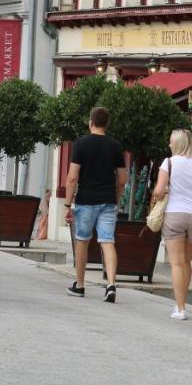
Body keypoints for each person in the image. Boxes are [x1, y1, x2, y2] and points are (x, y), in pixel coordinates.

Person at [62, 106, 126, 303]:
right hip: (108, 200)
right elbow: (123, 178)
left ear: (91, 122)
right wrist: (117, 195)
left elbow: (72, 177)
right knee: (107, 241)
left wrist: (67, 204)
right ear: (106, 123)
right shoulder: (115, 146)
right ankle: (111, 284)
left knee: (82, 241)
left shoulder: (80, 144)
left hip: (86, 200)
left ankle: (80, 285)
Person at [151, 129, 192, 321]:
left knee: (177, 263)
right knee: (186, 262)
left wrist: (159, 194)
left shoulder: (169, 163)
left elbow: (159, 191)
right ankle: (181, 302)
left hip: (175, 214)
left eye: (171, 142)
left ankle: (180, 308)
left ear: (178, 144)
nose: (169, 145)